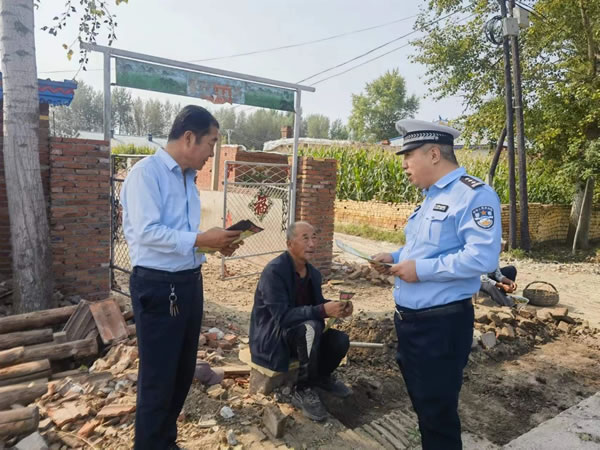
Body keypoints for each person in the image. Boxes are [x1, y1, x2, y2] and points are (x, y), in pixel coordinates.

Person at [371, 119, 502, 450]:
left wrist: (422, 270)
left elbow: (482, 257)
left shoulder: (473, 195)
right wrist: (394, 257)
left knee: (438, 416)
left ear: (433, 154)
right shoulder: (430, 197)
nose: (404, 165)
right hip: (411, 324)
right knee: (426, 409)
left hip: (440, 326)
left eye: (408, 155)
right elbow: (425, 250)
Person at [121, 105, 242, 450]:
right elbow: (147, 233)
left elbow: (182, 238)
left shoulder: (189, 180)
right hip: (159, 287)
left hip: (189, 283)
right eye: (211, 143)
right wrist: (201, 238)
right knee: (158, 378)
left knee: (181, 372)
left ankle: (165, 441)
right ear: (189, 138)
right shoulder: (147, 174)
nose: (212, 154)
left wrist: (213, 245)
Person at [250, 221, 353, 422]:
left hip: (301, 335)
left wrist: (337, 307)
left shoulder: (313, 273)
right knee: (311, 328)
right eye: (305, 238)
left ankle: (321, 378)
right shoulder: (274, 272)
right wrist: (322, 310)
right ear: (289, 244)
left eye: (314, 238)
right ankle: (302, 389)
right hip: (273, 338)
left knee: (340, 340)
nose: (312, 244)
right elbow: (282, 317)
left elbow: (316, 305)